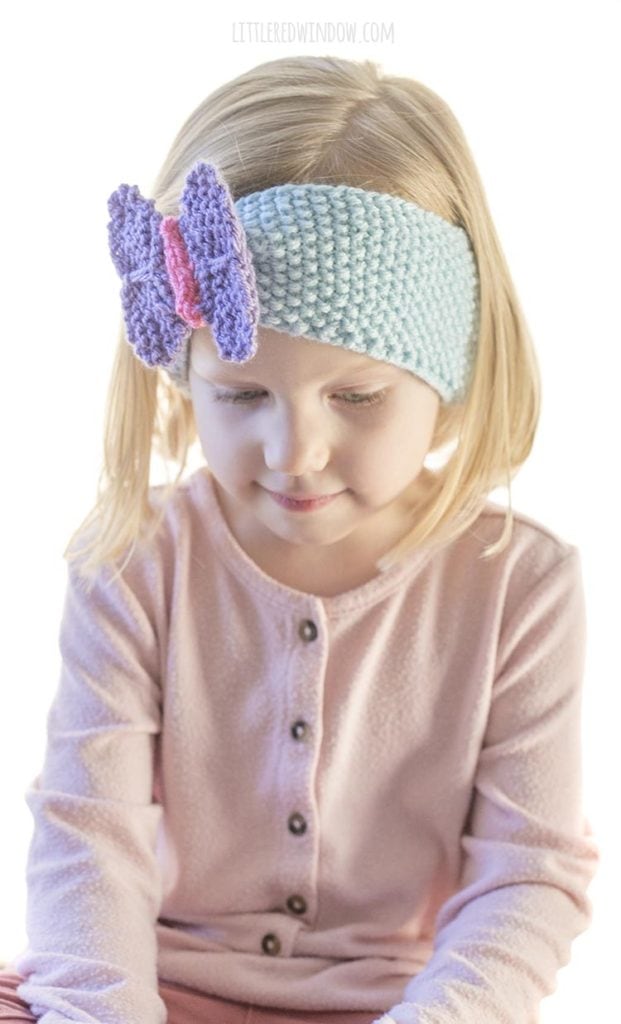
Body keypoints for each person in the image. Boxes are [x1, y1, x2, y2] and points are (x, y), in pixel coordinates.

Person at [0, 54, 599, 1024]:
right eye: (241, 395)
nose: (294, 453)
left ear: (445, 382)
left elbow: (525, 875)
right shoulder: (134, 560)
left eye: (355, 396)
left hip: (406, 1004)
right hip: (148, 987)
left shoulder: (516, 583)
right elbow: (87, 838)